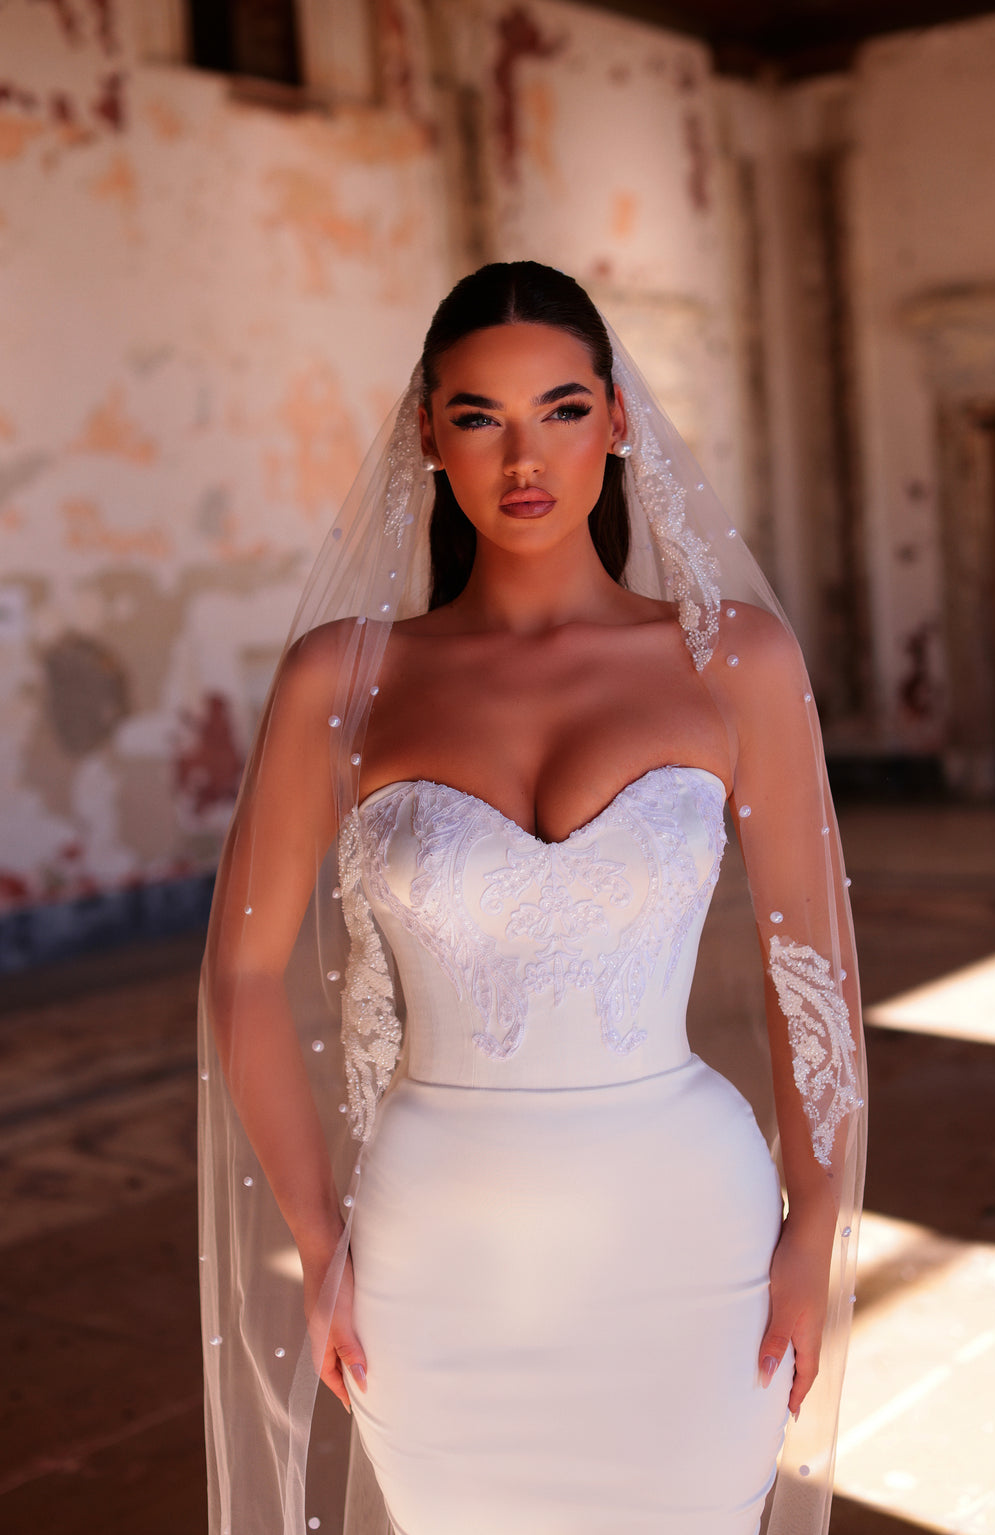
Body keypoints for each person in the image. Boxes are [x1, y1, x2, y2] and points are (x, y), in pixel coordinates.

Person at [198, 262, 867, 1535]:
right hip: (433, 1260)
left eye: (561, 409)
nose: (524, 455)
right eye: (478, 415)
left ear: (617, 421)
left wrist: (814, 1229)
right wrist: (318, 1238)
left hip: (692, 1241)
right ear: (426, 436)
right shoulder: (340, 679)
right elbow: (240, 973)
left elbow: (812, 969)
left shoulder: (736, 662)